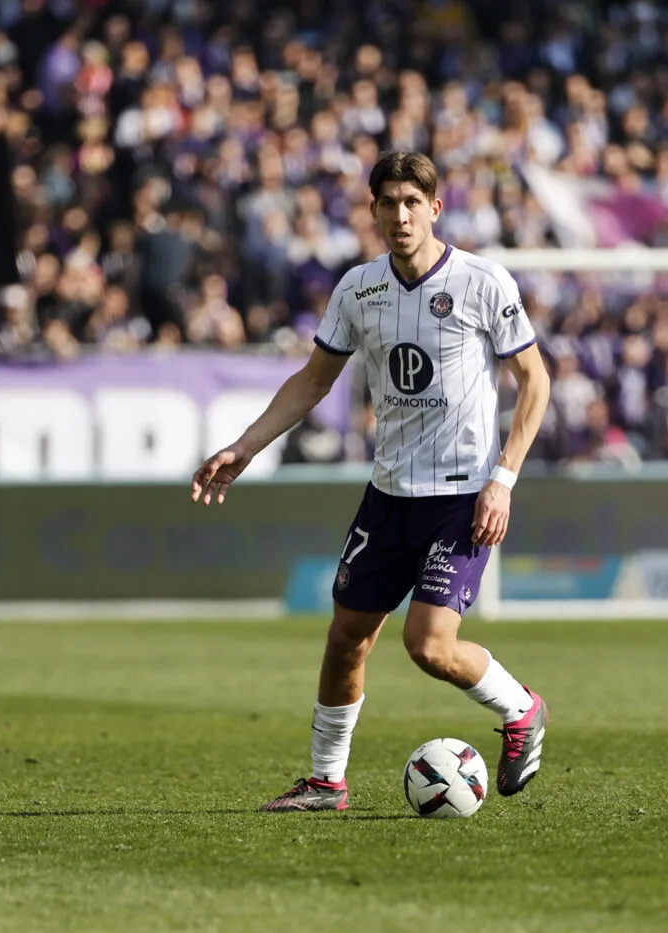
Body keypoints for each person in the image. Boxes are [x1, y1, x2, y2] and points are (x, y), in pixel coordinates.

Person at [191, 152, 553, 811]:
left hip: (461, 497)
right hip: (388, 496)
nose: (401, 214)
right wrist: (245, 446)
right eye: (388, 202)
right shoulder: (358, 289)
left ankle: (522, 706)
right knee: (347, 635)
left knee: (428, 645)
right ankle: (327, 780)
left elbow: (536, 381)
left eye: (413, 201)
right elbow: (312, 380)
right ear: (374, 210)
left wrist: (503, 479)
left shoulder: (482, 282)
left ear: (435, 208)